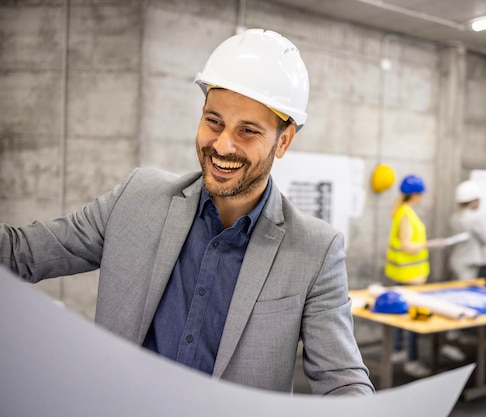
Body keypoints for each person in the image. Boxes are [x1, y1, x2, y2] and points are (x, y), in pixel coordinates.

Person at [0, 29, 374, 396]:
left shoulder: (315, 250)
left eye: (247, 131)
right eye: (214, 121)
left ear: (284, 141)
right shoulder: (136, 199)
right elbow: (21, 253)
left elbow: (343, 380)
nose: (222, 145)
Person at [384, 174, 443, 378]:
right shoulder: (406, 214)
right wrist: (431, 244)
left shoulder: (400, 211)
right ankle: (411, 361)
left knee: (402, 318)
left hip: (403, 274)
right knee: (412, 320)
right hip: (410, 276)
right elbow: (407, 245)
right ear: (417, 194)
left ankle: (400, 351)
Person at [442, 180, 486, 362]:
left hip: (457, 262)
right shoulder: (475, 218)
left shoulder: (455, 216)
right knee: (460, 305)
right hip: (467, 264)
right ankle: (450, 343)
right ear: (472, 200)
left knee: (456, 301)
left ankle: (454, 338)